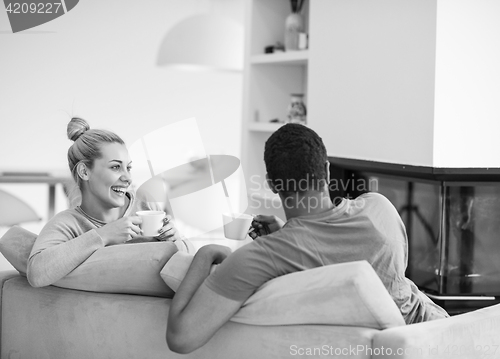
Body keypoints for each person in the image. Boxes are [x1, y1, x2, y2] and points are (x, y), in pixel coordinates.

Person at [166, 123, 449, 354]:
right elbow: (342, 251)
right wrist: (287, 234)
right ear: (326, 171)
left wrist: (205, 253)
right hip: (441, 336)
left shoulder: (264, 256)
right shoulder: (380, 209)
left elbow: (181, 338)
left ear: (272, 183)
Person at [27, 117, 187, 288]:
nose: (127, 178)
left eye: (128, 167)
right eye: (115, 167)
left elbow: (188, 263)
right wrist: (104, 235)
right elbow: (37, 273)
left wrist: (177, 240)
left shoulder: (146, 205)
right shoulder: (67, 224)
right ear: (84, 171)